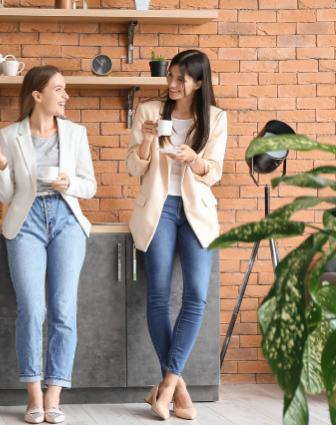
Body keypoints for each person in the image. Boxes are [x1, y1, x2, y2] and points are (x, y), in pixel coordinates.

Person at [0, 65, 96, 424]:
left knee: (63, 309)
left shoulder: (76, 134)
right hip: (26, 221)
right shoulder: (9, 135)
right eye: (59, 89)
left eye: (65, 89)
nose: (65, 96)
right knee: (32, 309)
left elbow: (89, 186)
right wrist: (0, 165)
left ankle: (54, 394)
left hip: (66, 219)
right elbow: (5, 193)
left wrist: (69, 184)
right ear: (37, 95)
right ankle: (33, 395)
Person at [126, 49, 227, 420]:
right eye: (169, 76)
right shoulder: (149, 112)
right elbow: (134, 166)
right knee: (158, 297)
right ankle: (179, 388)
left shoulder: (215, 118)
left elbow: (213, 172)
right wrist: (146, 142)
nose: (171, 84)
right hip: (159, 209)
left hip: (196, 212)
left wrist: (193, 159)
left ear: (198, 82)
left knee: (197, 296)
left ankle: (166, 384)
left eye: (180, 79)